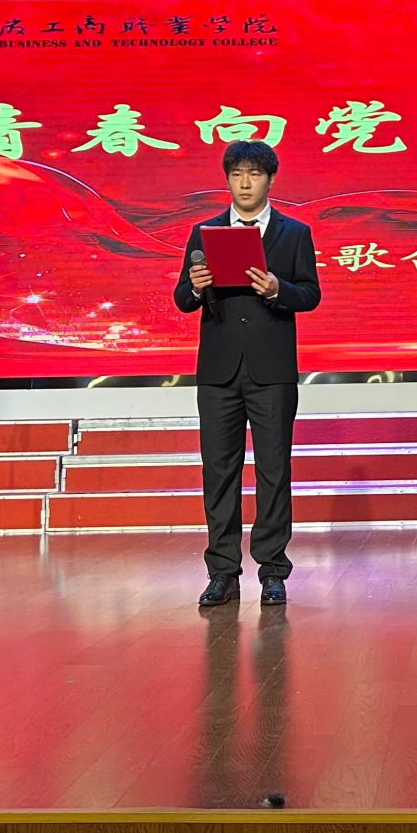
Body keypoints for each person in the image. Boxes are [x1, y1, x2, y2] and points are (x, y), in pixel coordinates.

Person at [173, 141, 321, 607]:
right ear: (227, 179)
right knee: (219, 472)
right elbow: (181, 298)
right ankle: (222, 572)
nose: (244, 182)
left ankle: (273, 571)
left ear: (270, 180)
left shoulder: (294, 233)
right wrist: (196, 288)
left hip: (272, 370)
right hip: (218, 371)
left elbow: (311, 294)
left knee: (274, 470)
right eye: (236, 173)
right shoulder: (205, 232)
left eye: (254, 174)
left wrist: (278, 289)